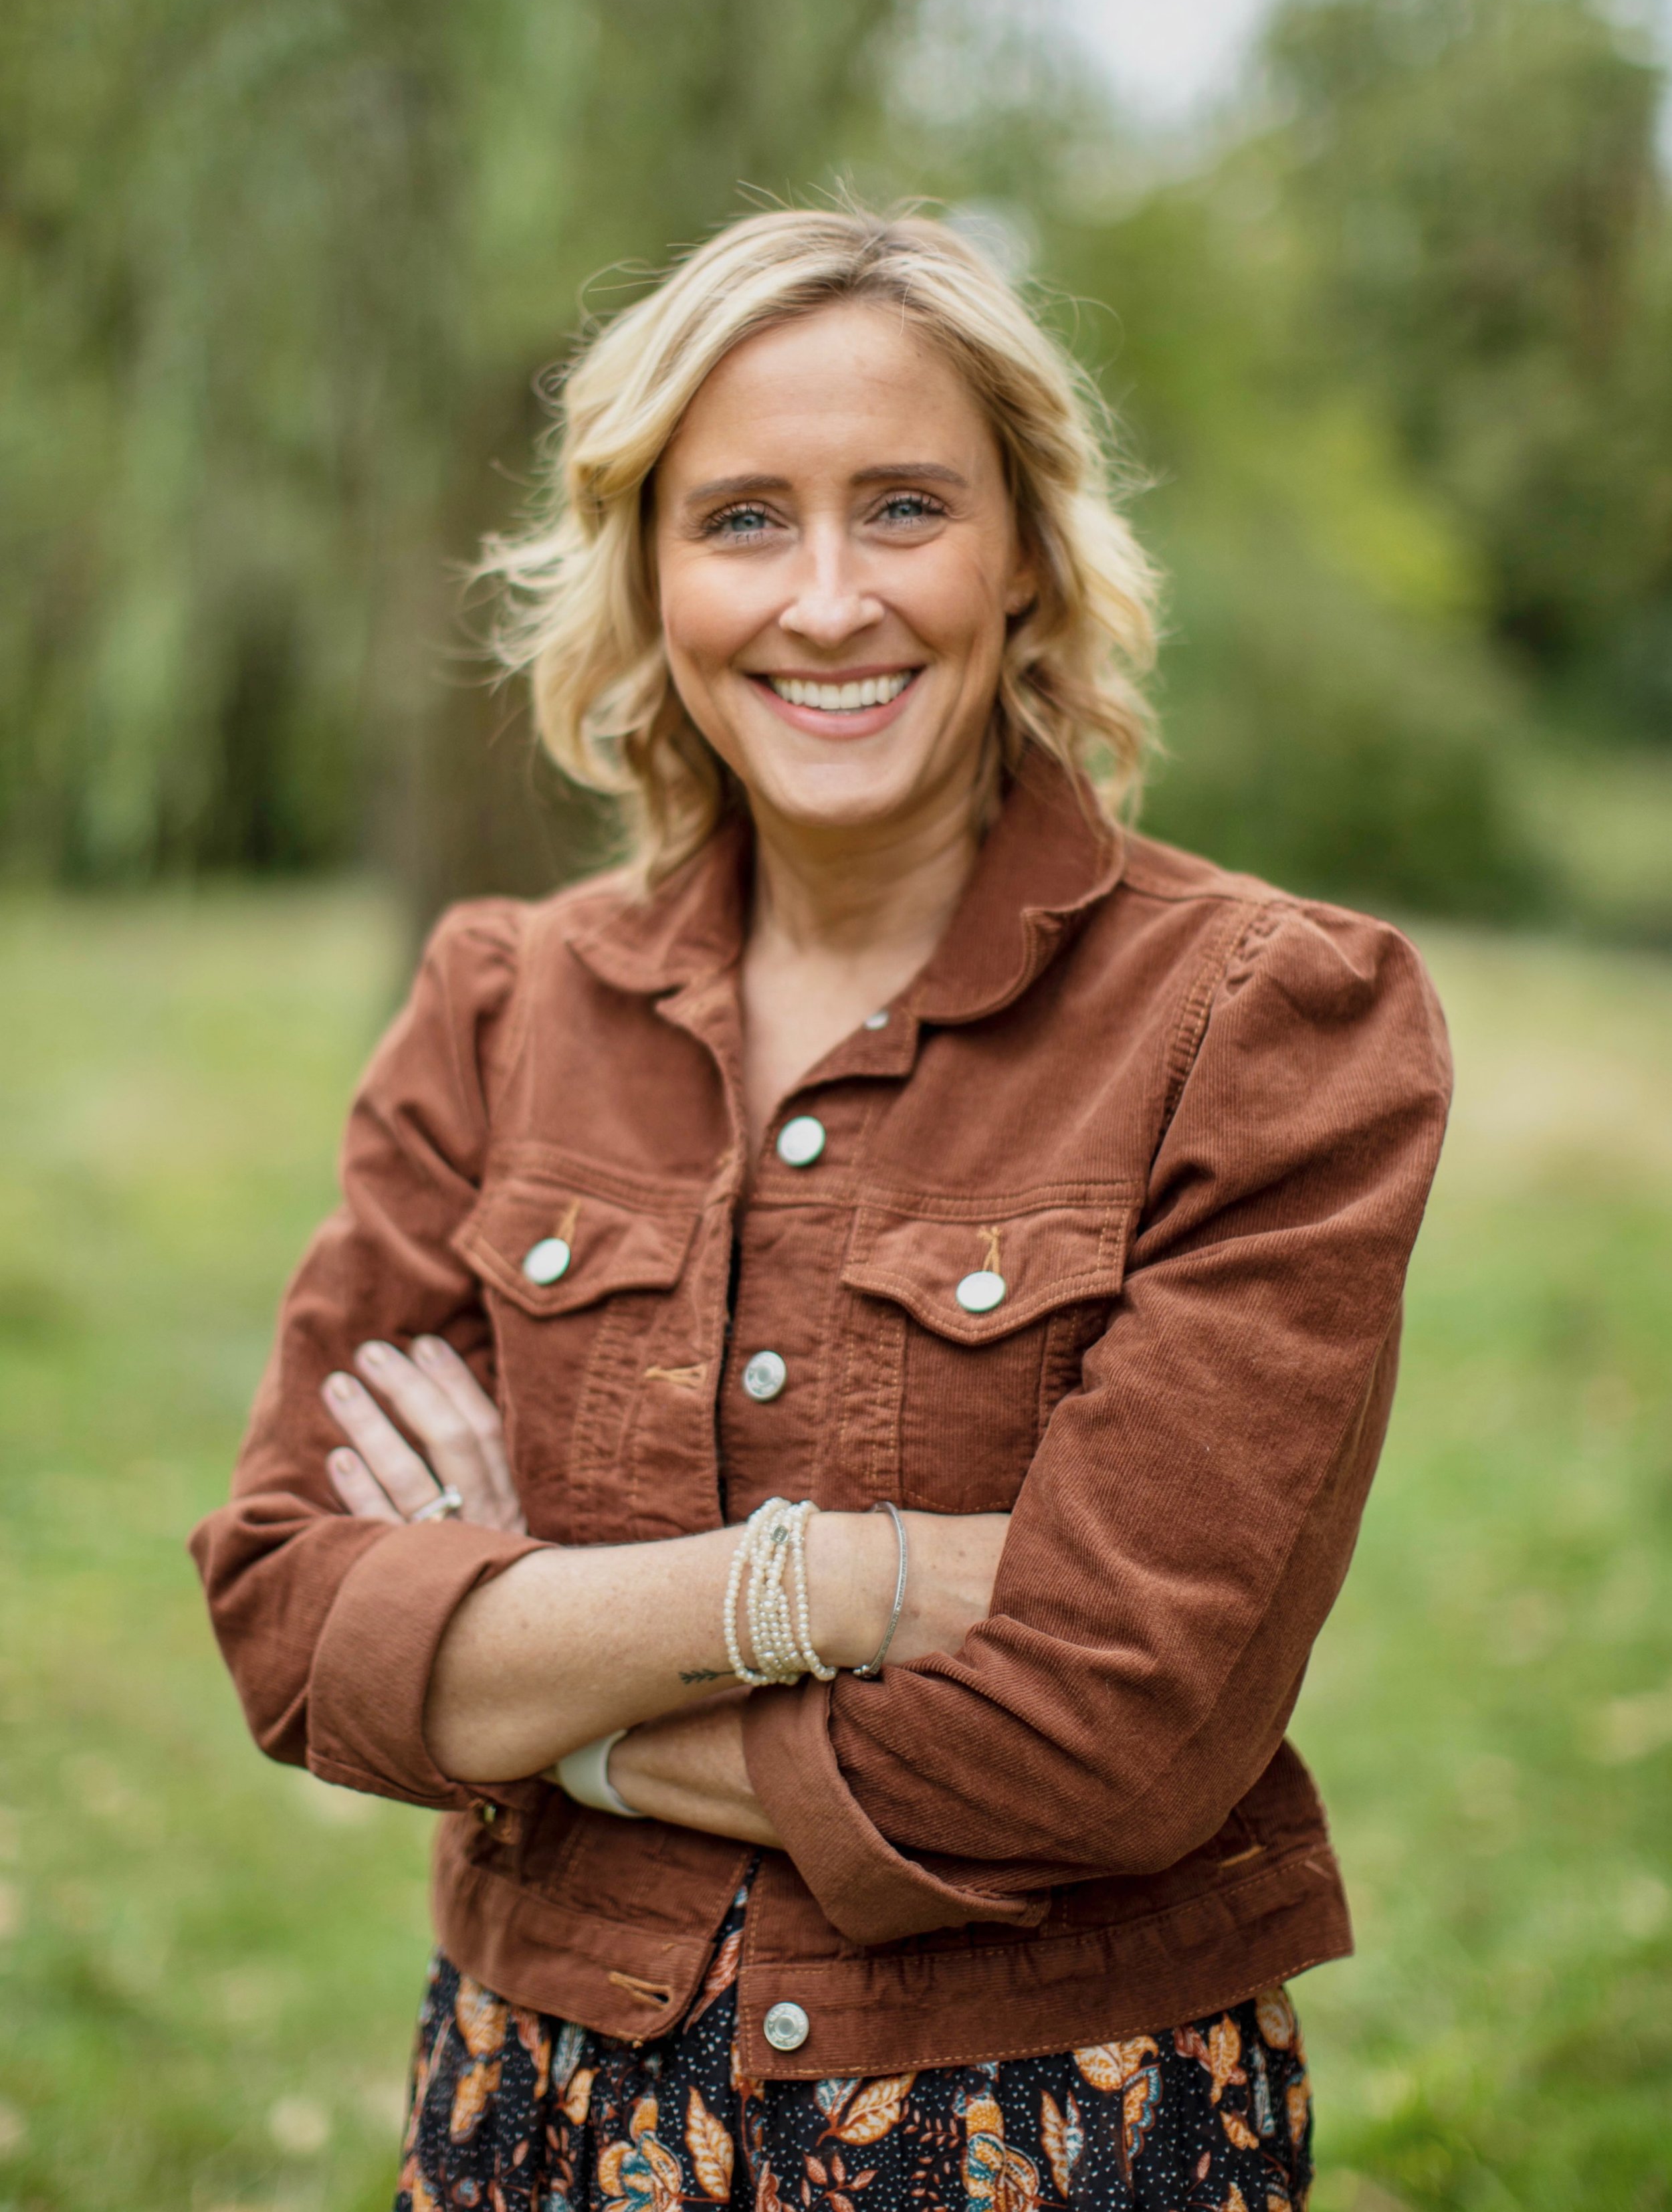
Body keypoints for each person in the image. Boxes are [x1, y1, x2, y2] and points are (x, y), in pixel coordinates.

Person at [191, 205, 1452, 2212]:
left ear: (1024, 553)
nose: (831, 600)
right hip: (530, 2122)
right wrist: (832, 1584)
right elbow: (284, 1617)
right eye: (744, 521)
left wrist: (529, 1691)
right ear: (651, 572)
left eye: (903, 507)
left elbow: (1111, 1740)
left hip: (1047, 2134)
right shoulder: (499, 1009)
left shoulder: (1267, 1021)